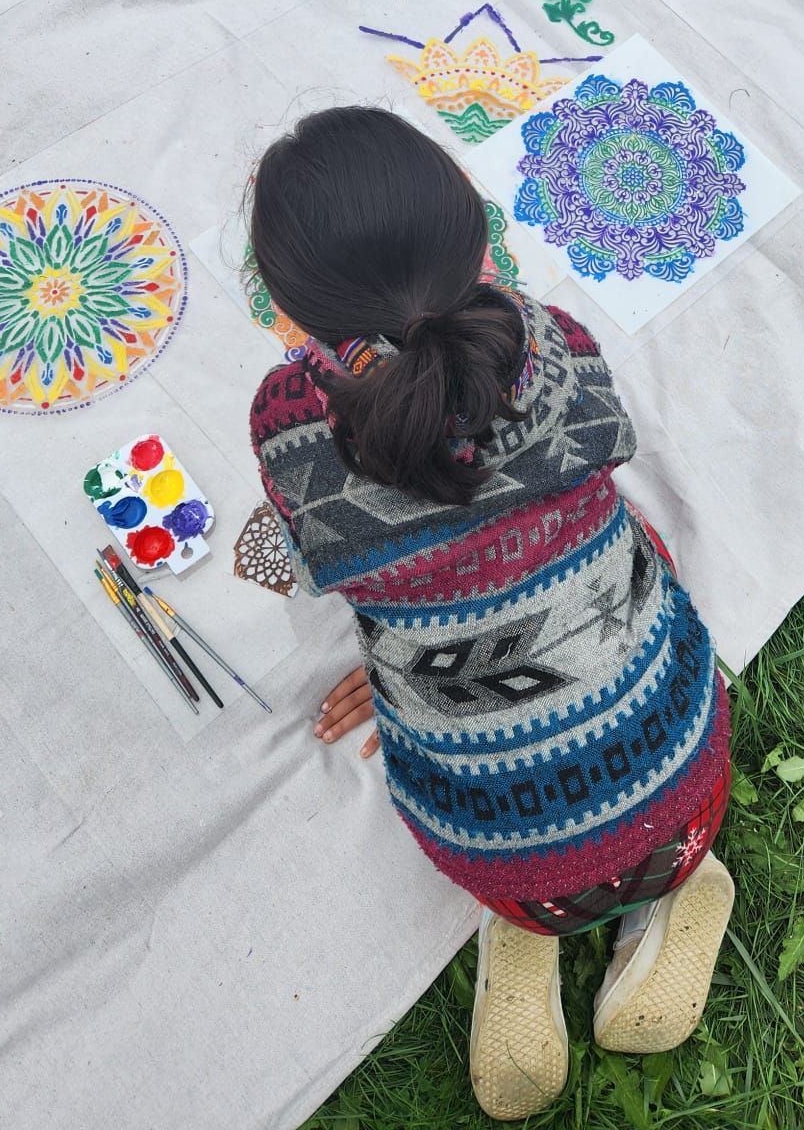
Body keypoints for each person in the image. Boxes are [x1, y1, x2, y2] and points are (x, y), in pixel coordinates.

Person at [246, 106, 735, 1122]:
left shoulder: (290, 428)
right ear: (480, 242)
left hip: (500, 858)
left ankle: (526, 927)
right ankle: (683, 886)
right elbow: (593, 451)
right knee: (623, 556)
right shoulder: (555, 338)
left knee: (522, 848)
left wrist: (417, 664)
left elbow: (319, 563)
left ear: (288, 318)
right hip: (685, 778)